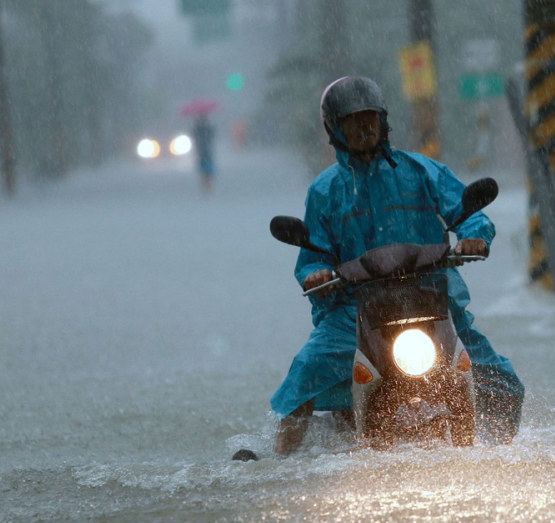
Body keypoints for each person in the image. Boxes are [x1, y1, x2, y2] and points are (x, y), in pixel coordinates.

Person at [270, 76, 524, 455]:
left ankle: (501, 451)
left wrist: (474, 236)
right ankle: (278, 458)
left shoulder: (421, 171)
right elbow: (312, 257)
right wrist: (316, 273)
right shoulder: (324, 191)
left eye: (370, 117)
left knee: (503, 382)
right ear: (334, 128)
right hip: (354, 310)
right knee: (307, 371)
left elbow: (467, 212)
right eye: (353, 121)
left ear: (384, 120)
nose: (364, 127)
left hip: (432, 297)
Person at [192, 113, 215, 192]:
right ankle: (208, 185)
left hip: (202, 151)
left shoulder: (199, 128)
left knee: (204, 169)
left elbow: (195, 137)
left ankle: (206, 184)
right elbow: (212, 136)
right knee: (207, 169)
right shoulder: (207, 128)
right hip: (206, 151)